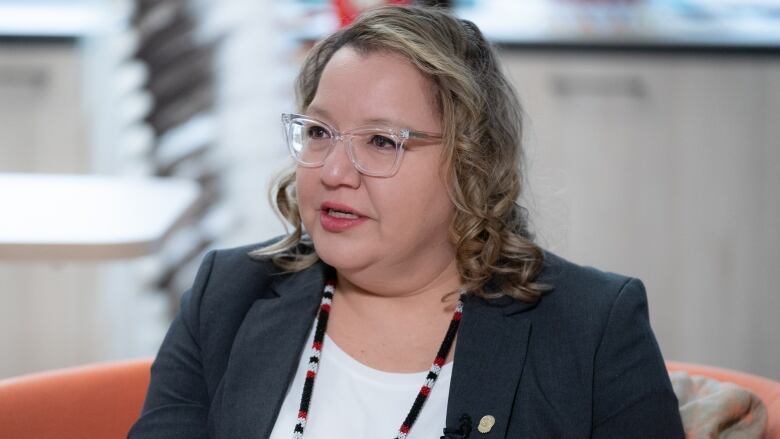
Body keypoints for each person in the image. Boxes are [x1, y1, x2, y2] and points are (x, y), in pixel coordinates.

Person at [129, 5, 684, 438]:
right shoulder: (226, 296)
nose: (335, 170)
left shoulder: (591, 327)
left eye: (380, 141)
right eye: (319, 133)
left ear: (470, 162)